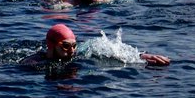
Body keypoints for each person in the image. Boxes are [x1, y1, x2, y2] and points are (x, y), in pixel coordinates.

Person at [22, 24, 170, 68]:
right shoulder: (34, 63)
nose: (72, 50)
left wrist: (141, 56)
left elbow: (110, 49)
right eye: (66, 46)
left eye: (74, 45)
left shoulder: (79, 52)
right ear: (52, 46)